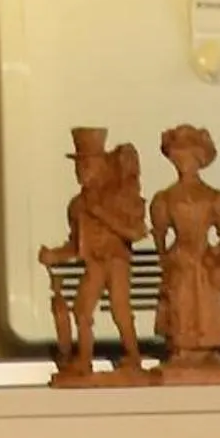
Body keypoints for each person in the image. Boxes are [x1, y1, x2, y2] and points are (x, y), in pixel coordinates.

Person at [41, 127, 146, 380]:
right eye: (79, 166)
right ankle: (83, 361)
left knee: (120, 310)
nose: (81, 171)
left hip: (117, 262)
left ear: (102, 166)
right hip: (94, 264)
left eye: (87, 165)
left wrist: (101, 214)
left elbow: (136, 232)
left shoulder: (120, 196)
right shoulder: (77, 206)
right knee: (82, 310)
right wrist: (55, 255)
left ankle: (133, 357)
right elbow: (76, 246)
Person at [149, 122, 220, 381]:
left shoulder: (213, 196)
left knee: (206, 303)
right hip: (179, 256)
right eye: (178, 157)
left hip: (203, 256)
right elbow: (159, 232)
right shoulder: (166, 198)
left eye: (187, 157)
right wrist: (164, 256)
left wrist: (218, 252)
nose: (183, 163)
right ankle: (182, 349)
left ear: (199, 159)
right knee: (181, 301)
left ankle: (207, 349)